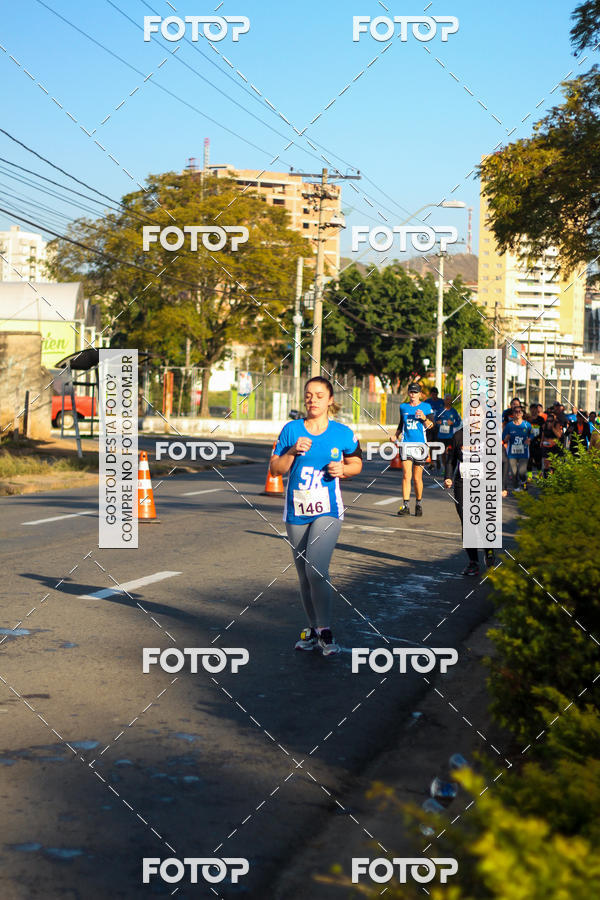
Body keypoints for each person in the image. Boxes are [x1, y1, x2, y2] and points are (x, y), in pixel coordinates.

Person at [270, 377, 363, 656]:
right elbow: (275, 469)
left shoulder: (342, 433)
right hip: (297, 510)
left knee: (316, 569)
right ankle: (312, 630)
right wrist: (292, 451)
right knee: (304, 575)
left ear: (330, 400)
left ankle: (325, 630)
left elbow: (357, 463)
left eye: (319, 395)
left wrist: (343, 470)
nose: (313, 400)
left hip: (328, 509)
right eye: (309, 395)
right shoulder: (291, 430)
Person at [444, 427, 508, 576]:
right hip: (463, 483)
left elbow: (504, 461)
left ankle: (489, 551)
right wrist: (447, 477)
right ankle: (473, 562)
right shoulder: (459, 435)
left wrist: (502, 486)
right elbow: (450, 460)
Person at [393, 383, 434, 517]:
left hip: (420, 446)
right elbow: (401, 424)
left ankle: (418, 503)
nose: (413, 395)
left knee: (417, 478)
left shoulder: (426, 407)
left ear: (420, 394)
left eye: (415, 392)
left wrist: (424, 418)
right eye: (411, 392)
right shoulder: (403, 407)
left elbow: (431, 426)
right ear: (408, 393)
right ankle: (405, 506)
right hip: (406, 444)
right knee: (406, 475)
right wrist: (396, 435)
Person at [502, 405, 532, 491]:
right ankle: (516, 487)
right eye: (516, 411)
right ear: (513, 414)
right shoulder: (509, 425)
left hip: (524, 452)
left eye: (520, 411)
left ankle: (523, 480)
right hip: (512, 453)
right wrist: (506, 439)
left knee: (522, 472)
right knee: (514, 472)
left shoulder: (527, 425)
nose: (518, 413)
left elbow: (532, 434)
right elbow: (503, 438)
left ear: (522, 414)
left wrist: (529, 439)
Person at [435, 395, 462, 468]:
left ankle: (450, 467)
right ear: (444, 400)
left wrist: (452, 423)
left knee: (450, 453)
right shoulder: (440, 410)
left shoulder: (453, 411)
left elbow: (458, 422)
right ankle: (445, 468)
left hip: (450, 436)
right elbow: (434, 421)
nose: (448, 401)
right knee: (443, 452)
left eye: (450, 399)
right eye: (447, 399)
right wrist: (438, 423)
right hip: (441, 436)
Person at [526, 402, 546, 477]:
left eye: (535, 409)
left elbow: (543, 430)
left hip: (538, 442)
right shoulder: (528, 419)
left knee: (538, 460)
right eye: (532, 409)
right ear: (530, 410)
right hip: (529, 442)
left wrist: (542, 441)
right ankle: (529, 477)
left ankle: (539, 475)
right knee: (529, 460)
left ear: (537, 410)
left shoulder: (541, 419)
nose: (534, 410)